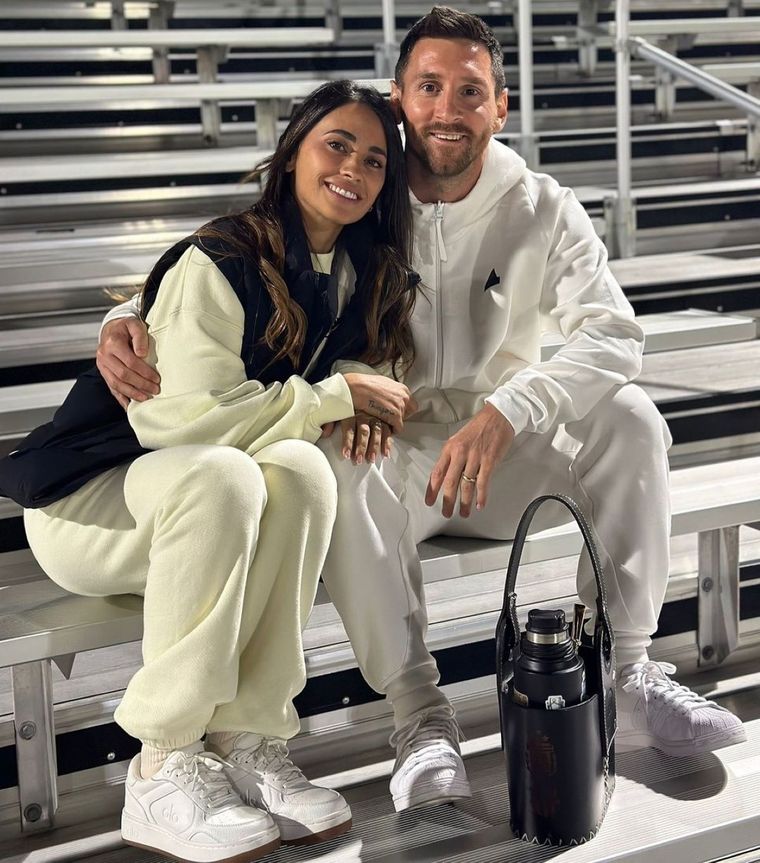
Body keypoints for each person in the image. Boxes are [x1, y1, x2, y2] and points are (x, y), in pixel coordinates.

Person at [95, 6, 747, 815]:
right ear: (400, 96)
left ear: (500, 107)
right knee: (333, 455)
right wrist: (124, 316)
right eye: (428, 87)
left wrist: (512, 407)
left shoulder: (543, 205)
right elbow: (246, 249)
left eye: (469, 91)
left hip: (501, 453)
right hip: (393, 455)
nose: (447, 109)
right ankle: (419, 719)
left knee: (633, 417)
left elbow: (614, 331)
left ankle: (630, 672)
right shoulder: (359, 191)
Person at [0, 81, 421, 861]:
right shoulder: (223, 254)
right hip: (89, 501)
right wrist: (334, 395)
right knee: (226, 475)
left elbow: (332, 395)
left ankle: (247, 736)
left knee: (299, 470)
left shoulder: (359, 274)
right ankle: (160, 762)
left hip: (190, 518)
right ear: (294, 150)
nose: (354, 169)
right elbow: (176, 422)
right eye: (337, 144)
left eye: (373, 159)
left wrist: (350, 394)